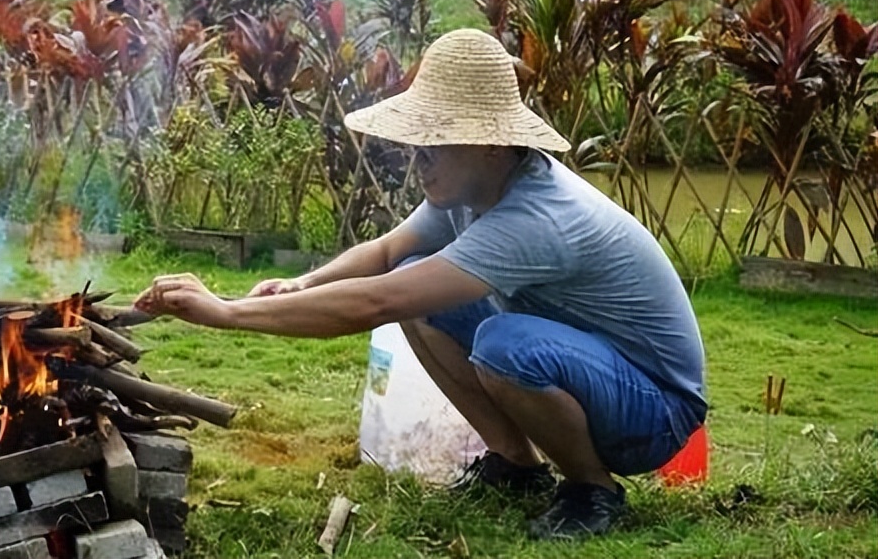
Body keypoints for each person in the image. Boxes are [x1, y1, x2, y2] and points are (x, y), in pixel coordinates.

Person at [136, 28, 707, 540]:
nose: (418, 157)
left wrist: (228, 313)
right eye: (418, 140)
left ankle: (592, 491)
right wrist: (301, 282)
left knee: (503, 345)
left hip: (655, 412)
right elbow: (386, 253)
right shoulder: (474, 190)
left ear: (489, 143)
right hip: (600, 377)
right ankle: (515, 465)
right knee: (415, 280)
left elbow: (376, 302)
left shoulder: (537, 216)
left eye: (435, 139)